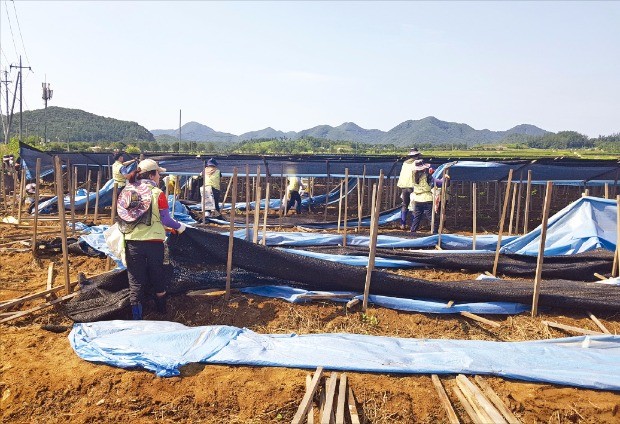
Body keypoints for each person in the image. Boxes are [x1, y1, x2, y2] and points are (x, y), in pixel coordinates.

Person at [118, 158, 187, 320]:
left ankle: (137, 320)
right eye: (158, 173)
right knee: (158, 277)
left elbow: (130, 219)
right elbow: (165, 220)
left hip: (132, 243)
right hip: (154, 244)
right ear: (152, 174)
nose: (159, 177)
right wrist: (179, 227)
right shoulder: (158, 193)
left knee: (136, 283)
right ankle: (162, 314)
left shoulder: (128, 192)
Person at [408, 159, 448, 234]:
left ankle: (413, 231)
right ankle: (435, 232)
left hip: (417, 199)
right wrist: (444, 177)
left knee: (417, 217)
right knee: (432, 218)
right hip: (427, 199)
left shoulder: (413, 176)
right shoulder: (427, 176)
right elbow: (439, 183)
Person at [396, 148, 422, 229]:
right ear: (416, 156)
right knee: (414, 206)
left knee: (405, 205)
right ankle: (413, 227)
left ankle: (403, 224)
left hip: (404, 187)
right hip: (412, 187)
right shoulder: (417, 163)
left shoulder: (404, 163)